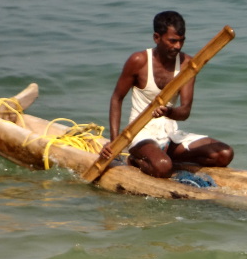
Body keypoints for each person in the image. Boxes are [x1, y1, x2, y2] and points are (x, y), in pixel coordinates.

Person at [100, 11, 233, 178]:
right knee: (163, 168)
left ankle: (162, 158)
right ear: (157, 38)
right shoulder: (139, 61)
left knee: (224, 154)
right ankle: (136, 159)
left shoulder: (187, 65)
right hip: (141, 136)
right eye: (173, 41)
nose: (178, 46)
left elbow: (185, 111)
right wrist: (115, 143)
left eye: (181, 41)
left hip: (170, 136)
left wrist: (169, 112)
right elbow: (117, 98)